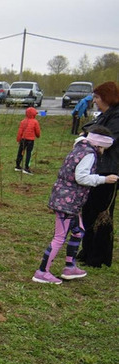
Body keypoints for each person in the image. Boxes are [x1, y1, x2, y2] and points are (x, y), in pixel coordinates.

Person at [32, 128, 118, 285]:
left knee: (78, 231)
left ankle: (70, 267)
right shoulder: (90, 154)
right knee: (60, 237)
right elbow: (81, 177)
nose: (104, 152)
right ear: (100, 144)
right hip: (67, 201)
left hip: (68, 199)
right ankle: (42, 272)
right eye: (104, 148)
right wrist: (103, 179)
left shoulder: (80, 147)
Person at [77, 81, 119, 268]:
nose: (94, 100)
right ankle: (87, 251)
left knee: (102, 213)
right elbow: (93, 130)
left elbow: (108, 139)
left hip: (108, 171)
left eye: (97, 97)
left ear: (107, 97)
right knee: (89, 211)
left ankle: (98, 256)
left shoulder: (116, 116)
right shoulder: (105, 115)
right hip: (95, 169)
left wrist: (87, 138)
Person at [15, 106, 41, 174]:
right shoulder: (35, 122)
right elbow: (37, 131)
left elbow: (20, 131)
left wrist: (18, 139)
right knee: (29, 153)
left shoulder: (23, 121)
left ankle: (17, 165)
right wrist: (38, 135)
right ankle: (26, 168)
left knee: (21, 151)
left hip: (23, 140)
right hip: (30, 140)